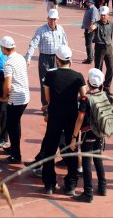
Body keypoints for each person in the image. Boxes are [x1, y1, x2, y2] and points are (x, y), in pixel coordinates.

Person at [70, 68, 113, 202]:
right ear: (101, 83)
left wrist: (74, 137)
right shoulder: (105, 95)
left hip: (87, 134)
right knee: (98, 160)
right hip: (100, 133)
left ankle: (88, 193)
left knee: (86, 163)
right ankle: (103, 187)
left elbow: (80, 119)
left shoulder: (85, 99)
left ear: (88, 83)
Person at [41, 45, 86, 195]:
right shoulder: (78, 76)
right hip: (71, 117)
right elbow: (83, 97)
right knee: (71, 149)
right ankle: (71, 184)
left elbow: (48, 98)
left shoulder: (50, 75)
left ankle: (49, 184)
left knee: (50, 150)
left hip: (55, 116)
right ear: (70, 60)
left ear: (57, 60)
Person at [0, 36, 30, 164]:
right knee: (15, 124)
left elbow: (8, 84)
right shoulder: (20, 57)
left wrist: (4, 96)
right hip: (25, 95)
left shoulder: (8, 63)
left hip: (15, 98)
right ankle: (14, 148)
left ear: (4, 48)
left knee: (12, 126)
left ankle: (16, 155)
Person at [25, 9, 68, 111]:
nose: (53, 21)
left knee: (58, 82)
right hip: (45, 59)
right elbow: (33, 44)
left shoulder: (60, 29)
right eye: (51, 19)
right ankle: (46, 105)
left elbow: (65, 43)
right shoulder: (41, 30)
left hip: (58, 59)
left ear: (57, 19)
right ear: (47, 18)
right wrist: (28, 58)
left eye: (55, 19)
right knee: (45, 83)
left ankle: (55, 105)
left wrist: (67, 58)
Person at [81, 0, 99, 64]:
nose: (86, 3)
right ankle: (90, 57)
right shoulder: (88, 8)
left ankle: (90, 59)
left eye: (88, 2)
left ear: (91, 2)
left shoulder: (93, 9)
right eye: (86, 2)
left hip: (91, 29)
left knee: (88, 44)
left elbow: (93, 20)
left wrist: (89, 30)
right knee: (88, 44)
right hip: (87, 28)